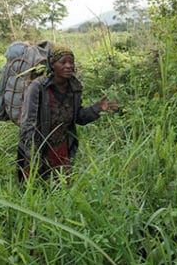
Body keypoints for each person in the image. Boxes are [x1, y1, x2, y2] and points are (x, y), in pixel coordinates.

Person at [17, 43, 118, 182]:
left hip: (63, 147)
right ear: (52, 64)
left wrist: (97, 108)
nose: (69, 66)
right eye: (63, 62)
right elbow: (28, 123)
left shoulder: (74, 87)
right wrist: (32, 154)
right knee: (35, 186)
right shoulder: (38, 87)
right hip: (39, 147)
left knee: (61, 185)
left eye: (71, 62)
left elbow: (78, 117)